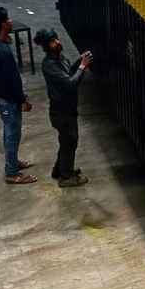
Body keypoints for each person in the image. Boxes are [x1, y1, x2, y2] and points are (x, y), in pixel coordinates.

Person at [0, 7, 36, 185]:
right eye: (7, 20)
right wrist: (22, 100)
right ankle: (12, 173)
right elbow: (11, 81)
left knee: (13, 133)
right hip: (9, 99)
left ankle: (13, 162)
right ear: (2, 25)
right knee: (11, 135)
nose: (11, 21)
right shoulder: (3, 53)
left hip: (7, 97)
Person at [35, 28, 92, 187]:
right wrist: (82, 66)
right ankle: (66, 177)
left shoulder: (60, 58)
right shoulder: (49, 65)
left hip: (67, 109)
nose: (57, 42)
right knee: (70, 141)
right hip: (61, 112)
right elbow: (70, 84)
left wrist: (79, 62)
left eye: (56, 39)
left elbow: (69, 73)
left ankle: (59, 170)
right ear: (46, 46)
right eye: (53, 41)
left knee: (66, 141)